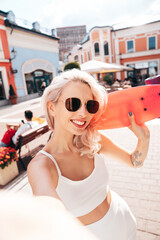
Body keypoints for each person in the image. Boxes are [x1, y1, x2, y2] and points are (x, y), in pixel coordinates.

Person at [27, 69, 150, 240]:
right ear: (52, 107)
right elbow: (47, 203)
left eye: (90, 105)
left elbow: (133, 161)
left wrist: (144, 139)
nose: (83, 113)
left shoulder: (93, 140)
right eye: (73, 103)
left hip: (122, 217)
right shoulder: (42, 165)